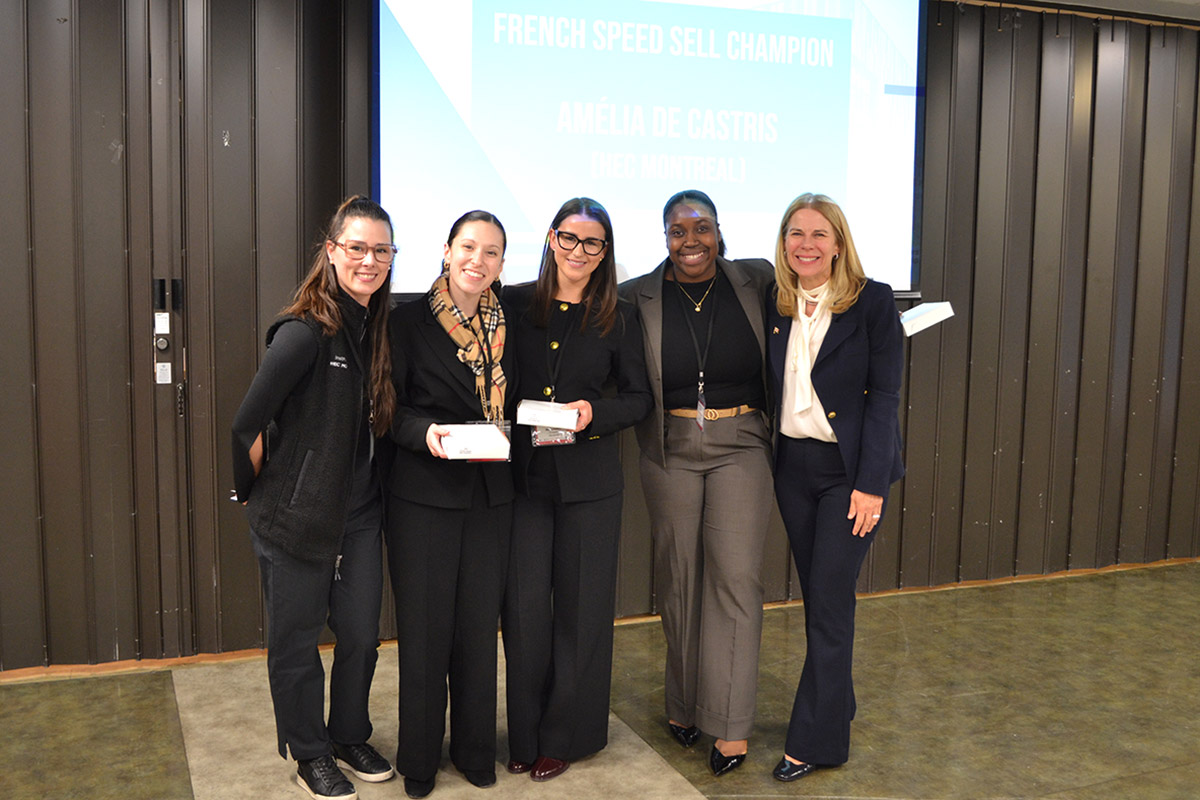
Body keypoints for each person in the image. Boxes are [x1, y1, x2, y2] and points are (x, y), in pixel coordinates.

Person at [231, 195, 398, 800]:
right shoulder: (303, 333)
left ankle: (348, 733)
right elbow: (246, 426)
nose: (369, 260)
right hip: (296, 521)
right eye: (357, 248)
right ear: (331, 252)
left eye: (382, 250)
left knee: (359, 634)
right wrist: (256, 498)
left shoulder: (372, 328)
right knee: (297, 642)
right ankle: (309, 752)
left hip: (357, 517)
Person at [620, 189, 775, 777]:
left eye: (701, 227)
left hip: (742, 443)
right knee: (679, 577)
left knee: (735, 579)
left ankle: (731, 726)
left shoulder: (755, 282)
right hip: (670, 448)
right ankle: (684, 704)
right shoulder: (639, 296)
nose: (691, 241)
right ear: (664, 237)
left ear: (719, 230)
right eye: (677, 230)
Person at [501, 198, 652, 781]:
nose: (579, 252)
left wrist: (594, 413)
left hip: (589, 484)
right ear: (550, 238)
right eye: (569, 239)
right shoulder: (513, 303)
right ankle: (525, 731)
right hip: (522, 481)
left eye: (593, 243)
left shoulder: (621, 315)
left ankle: (567, 735)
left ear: (606, 251)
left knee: (583, 613)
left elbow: (639, 399)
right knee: (525, 612)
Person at [765, 193, 904, 781]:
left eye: (819, 234)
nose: (806, 244)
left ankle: (816, 742)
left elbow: (885, 399)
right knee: (821, 597)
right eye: (795, 233)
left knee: (826, 603)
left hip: (848, 475)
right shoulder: (775, 302)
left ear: (839, 243)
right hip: (792, 468)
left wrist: (870, 485)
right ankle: (836, 704)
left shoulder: (871, 302)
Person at [386, 210, 517, 799]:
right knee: (424, 631)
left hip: (491, 496)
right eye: (468, 247)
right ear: (445, 250)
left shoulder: (508, 323)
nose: (478, 261)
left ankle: (473, 751)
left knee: (475, 630)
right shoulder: (406, 321)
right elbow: (388, 409)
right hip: (424, 496)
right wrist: (426, 433)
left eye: (491, 253)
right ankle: (418, 759)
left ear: (502, 264)